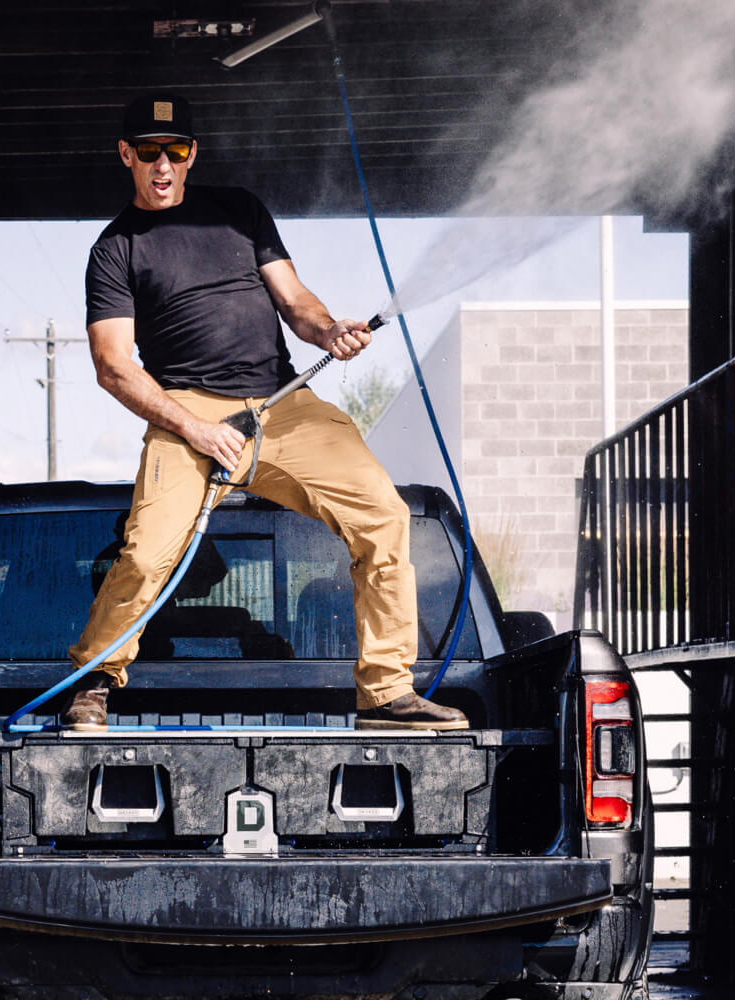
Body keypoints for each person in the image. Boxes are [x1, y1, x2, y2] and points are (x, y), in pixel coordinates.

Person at [60, 93, 467, 733]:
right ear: (126, 156)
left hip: (284, 404)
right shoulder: (115, 249)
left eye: (176, 151)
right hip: (187, 414)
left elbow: (296, 300)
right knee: (143, 555)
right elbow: (113, 364)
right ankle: (95, 680)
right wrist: (193, 428)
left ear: (192, 154)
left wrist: (329, 329)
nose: (162, 165)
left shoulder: (240, 212)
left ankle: (387, 694)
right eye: (148, 152)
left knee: (384, 515)